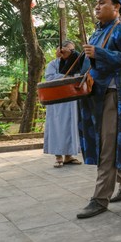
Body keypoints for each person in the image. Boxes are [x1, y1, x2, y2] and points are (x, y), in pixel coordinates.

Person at [76, 0, 121, 219]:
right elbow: (89, 62)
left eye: (102, 2)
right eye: (96, 2)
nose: (97, 6)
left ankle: (100, 199)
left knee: (107, 147)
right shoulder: (97, 33)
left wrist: (101, 54)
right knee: (105, 144)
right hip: (94, 96)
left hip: (114, 97)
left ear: (116, 7)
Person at [43, 40, 82, 168]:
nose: (70, 53)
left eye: (72, 51)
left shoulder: (76, 63)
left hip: (71, 100)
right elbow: (49, 78)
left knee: (70, 127)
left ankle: (69, 156)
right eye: (67, 50)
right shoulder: (53, 64)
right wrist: (65, 76)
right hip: (57, 101)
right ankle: (58, 157)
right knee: (57, 127)